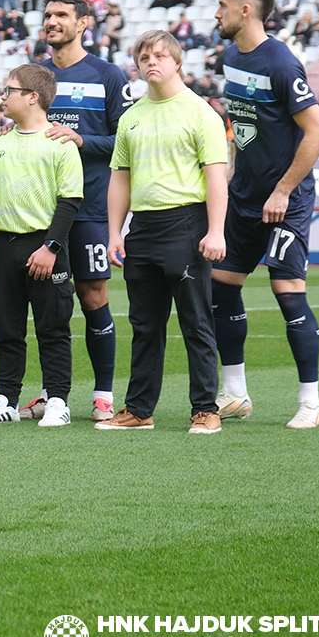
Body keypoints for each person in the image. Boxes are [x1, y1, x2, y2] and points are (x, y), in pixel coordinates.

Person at [211, 0, 319, 429]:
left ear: (245, 11)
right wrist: (233, 171)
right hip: (244, 197)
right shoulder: (230, 56)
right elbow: (244, 124)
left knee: (287, 291)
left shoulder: (281, 63)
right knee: (221, 287)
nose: (216, 13)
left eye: (222, 6)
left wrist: (282, 190)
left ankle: (310, 403)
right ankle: (236, 393)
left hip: (286, 199)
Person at [100, 30, 229, 434]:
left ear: (177, 62)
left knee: (196, 322)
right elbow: (120, 178)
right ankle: (139, 409)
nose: (151, 62)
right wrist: (115, 233)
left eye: (159, 55)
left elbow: (216, 178)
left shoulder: (200, 113)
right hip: (143, 229)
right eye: (144, 57)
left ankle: (206, 410)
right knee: (144, 325)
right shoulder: (131, 117)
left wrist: (216, 231)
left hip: (187, 225)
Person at [32, 0, 131, 421]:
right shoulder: (35, 76)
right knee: (47, 302)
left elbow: (128, 141)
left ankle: (104, 394)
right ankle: (52, 393)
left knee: (93, 297)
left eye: (62, 15)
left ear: (83, 23)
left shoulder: (108, 76)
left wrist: (82, 140)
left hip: (90, 208)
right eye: (48, 15)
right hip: (42, 210)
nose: (52, 21)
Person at [0, 65, 82, 426]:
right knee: (7, 327)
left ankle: (58, 401)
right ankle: (7, 400)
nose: (2, 97)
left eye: (9, 90)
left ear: (32, 97)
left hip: (45, 246)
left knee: (53, 327)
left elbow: (70, 201)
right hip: (3, 245)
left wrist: (50, 247)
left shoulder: (60, 144)